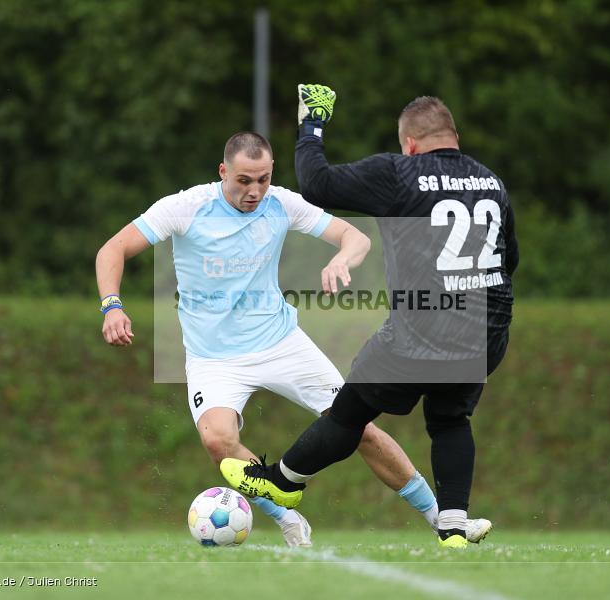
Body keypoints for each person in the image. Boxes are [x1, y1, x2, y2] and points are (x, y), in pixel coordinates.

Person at [96, 131, 444, 547]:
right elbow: (112, 249)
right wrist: (112, 306)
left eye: (263, 179)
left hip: (282, 343)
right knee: (217, 440)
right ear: (223, 172)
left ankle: (440, 518)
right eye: (244, 180)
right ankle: (288, 518)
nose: (255, 191)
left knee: (359, 427)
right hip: (213, 358)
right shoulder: (186, 207)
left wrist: (341, 259)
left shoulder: (281, 203)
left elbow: (357, 237)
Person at [221, 87, 518, 548]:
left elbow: (317, 183)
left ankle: (282, 481)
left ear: (411, 144)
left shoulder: (399, 172)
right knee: (450, 418)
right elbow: (509, 258)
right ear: (454, 137)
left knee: (349, 413)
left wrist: (312, 126)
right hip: (485, 330)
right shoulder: (491, 182)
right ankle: (453, 525)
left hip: (421, 328)